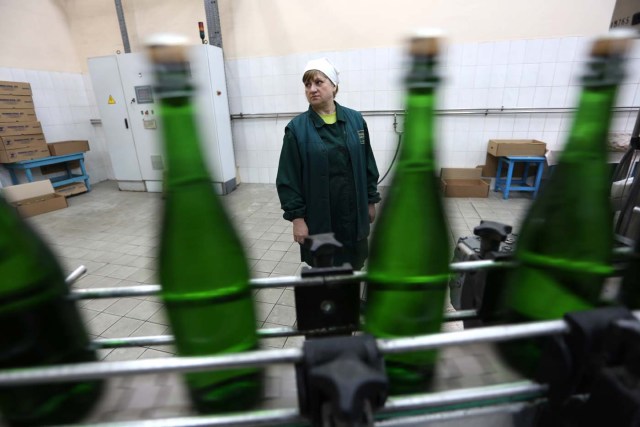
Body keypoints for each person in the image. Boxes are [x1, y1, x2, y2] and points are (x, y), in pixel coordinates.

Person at [276, 58, 381, 270]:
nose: (312, 89)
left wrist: (370, 201)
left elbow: (368, 165)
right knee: (325, 263)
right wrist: (297, 218)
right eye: (307, 85)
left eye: (318, 82)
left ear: (333, 85)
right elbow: (288, 178)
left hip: (353, 214)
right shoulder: (297, 129)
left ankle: (350, 299)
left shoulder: (355, 121)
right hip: (319, 217)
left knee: (353, 261)